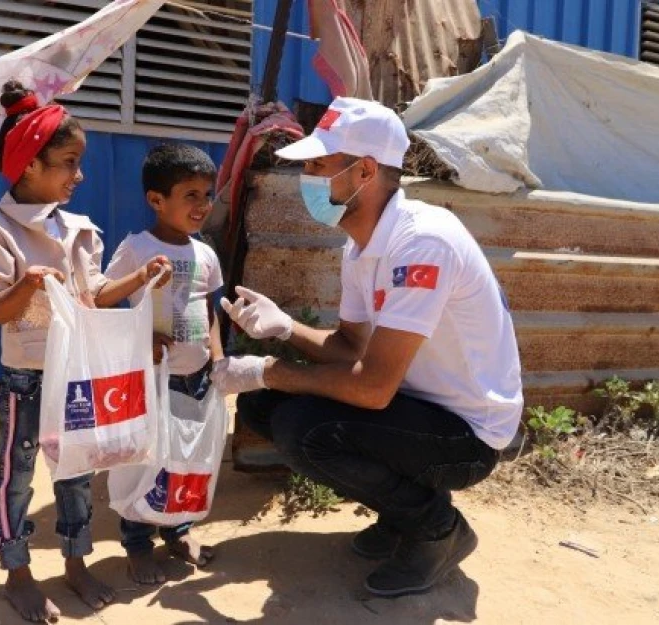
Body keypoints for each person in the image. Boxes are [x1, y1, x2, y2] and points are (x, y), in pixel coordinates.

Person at [210, 97, 523, 597]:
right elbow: (351, 347)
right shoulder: (359, 246)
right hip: (417, 407)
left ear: (365, 172)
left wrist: (270, 368)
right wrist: (285, 328)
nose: (306, 177)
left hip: (467, 434)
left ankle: (435, 528)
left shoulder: (422, 243)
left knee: (302, 427)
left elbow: (373, 387)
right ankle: (403, 513)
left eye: (318, 165)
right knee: (264, 406)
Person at [0, 81, 169, 622]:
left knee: (78, 472)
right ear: (29, 165)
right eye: (68, 163)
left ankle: (76, 562)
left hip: (77, 378)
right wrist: (27, 285)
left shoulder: (79, 230)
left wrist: (139, 278)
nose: (79, 176)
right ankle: (18, 572)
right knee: (19, 473)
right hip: (27, 380)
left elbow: (92, 296)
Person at [96, 143, 224, 585]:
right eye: (190, 195)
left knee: (185, 459)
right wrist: (141, 335)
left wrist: (218, 363)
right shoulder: (136, 248)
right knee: (147, 462)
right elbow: (101, 298)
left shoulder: (205, 253)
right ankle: (137, 543)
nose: (203, 205)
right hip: (152, 381)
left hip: (197, 379)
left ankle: (178, 530)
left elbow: (210, 314)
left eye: (208, 194)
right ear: (156, 200)